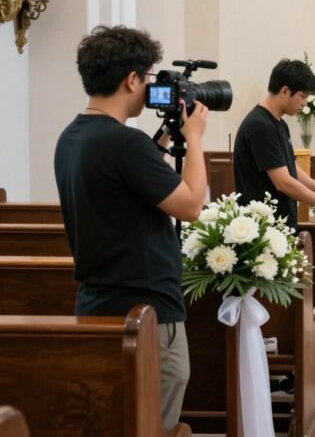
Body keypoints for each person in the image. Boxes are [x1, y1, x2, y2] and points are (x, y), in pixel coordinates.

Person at [54, 26, 209, 431]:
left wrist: (160, 140)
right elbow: (192, 205)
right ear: (132, 79)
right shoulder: (124, 143)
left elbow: (126, 181)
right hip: (145, 311)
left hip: (96, 304)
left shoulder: (72, 137)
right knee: (149, 421)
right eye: (148, 78)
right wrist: (194, 138)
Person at [233, 58, 315, 230]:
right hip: (263, 226)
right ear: (285, 91)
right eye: (302, 96)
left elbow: (291, 167)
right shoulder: (260, 127)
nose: (305, 103)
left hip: (279, 222)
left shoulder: (279, 123)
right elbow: (283, 182)